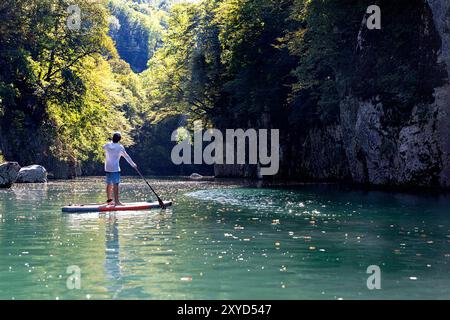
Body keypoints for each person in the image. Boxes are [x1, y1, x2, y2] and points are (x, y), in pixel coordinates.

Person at [103, 132, 137, 206]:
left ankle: (109, 201)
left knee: (109, 184)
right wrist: (133, 165)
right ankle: (117, 202)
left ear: (113, 138)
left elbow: (103, 147)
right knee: (116, 184)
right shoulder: (120, 147)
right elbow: (126, 156)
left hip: (108, 168)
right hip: (115, 168)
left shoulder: (107, 145)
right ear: (119, 139)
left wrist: (109, 143)